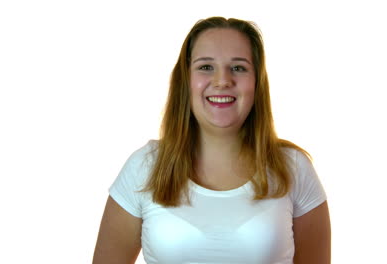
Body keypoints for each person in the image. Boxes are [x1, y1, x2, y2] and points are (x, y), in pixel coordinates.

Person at [93, 16, 331, 264]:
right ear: (186, 80)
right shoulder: (144, 168)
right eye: (206, 67)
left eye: (238, 68)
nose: (222, 81)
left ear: (257, 82)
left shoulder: (293, 168)